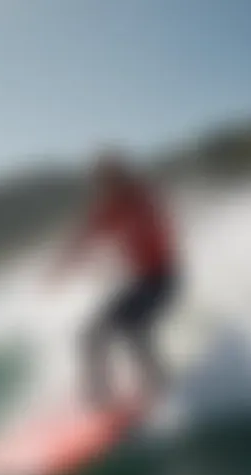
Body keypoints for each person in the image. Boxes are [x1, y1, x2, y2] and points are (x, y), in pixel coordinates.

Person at [52, 150, 178, 408]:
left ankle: (160, 383)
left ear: (121, 177)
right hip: (140, 281)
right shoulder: (110, 209)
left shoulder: (143, 201)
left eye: (108, 180)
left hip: (162, 279)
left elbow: (158, 232)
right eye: (100, 182)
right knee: (88, 335)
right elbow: (84, 238)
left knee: (132, 328)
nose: (102, 186)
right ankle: (100, 395)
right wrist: (62, 268)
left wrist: (137, 227)